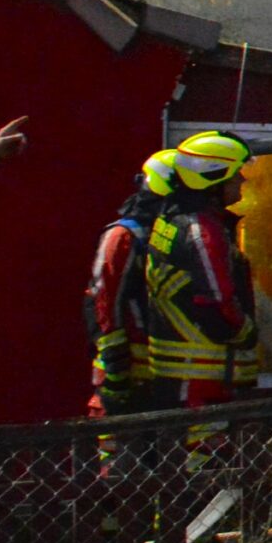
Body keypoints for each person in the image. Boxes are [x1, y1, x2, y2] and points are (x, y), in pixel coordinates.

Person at [141, 130, 259, 407]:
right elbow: (217, 301)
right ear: (214, 177)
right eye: (236, 173)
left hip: (179, 378)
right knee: (208, 438)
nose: (242, 179)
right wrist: (246, 333)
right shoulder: (202, 230)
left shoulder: (172, 219)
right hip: (202, 383)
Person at [82, 150, 178, 416]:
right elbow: (104, 302)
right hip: (128, 372)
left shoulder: (182, 234)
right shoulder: (125, 236)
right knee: (118, 438)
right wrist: (116, 368)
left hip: (169, 373)